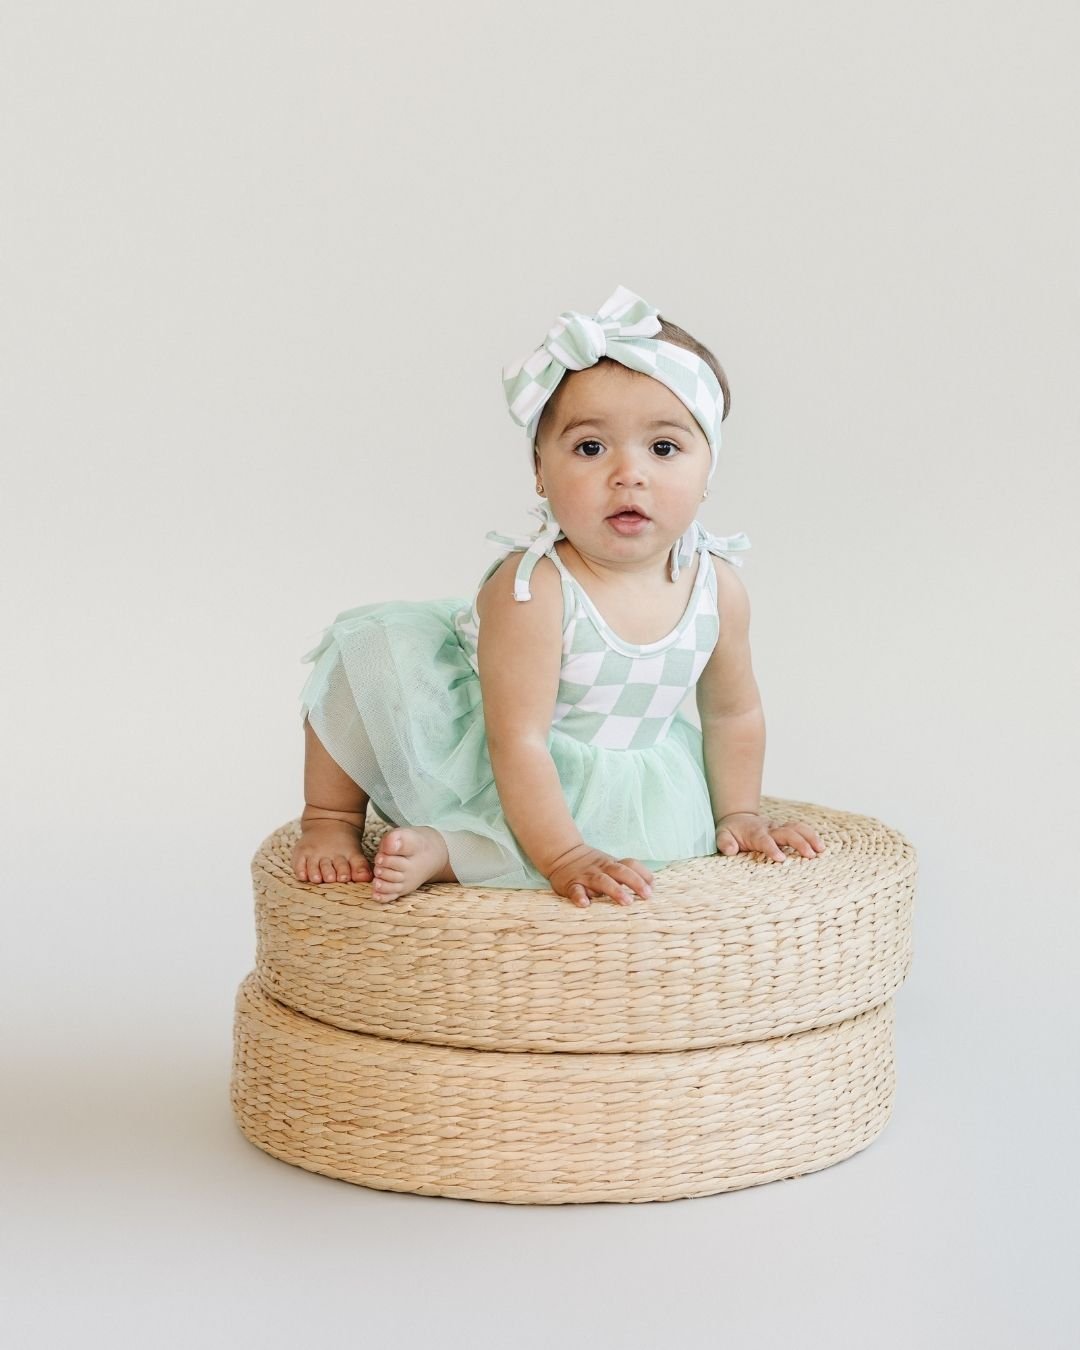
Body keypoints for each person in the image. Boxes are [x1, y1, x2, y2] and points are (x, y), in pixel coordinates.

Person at [292, 284, 825, 908]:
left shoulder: (717, 588)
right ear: (541, 472)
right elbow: (516, 740)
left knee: (632, 846)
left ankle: (446, 851)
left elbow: (733, 713)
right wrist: (565, 854)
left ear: (709, 469)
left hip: (621, 773)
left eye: (664, 447)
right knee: (370, 656)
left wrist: (738, 811)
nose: (629, 473)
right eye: (590, 447)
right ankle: (331, 817)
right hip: (505, 755)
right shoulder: (535, 588)